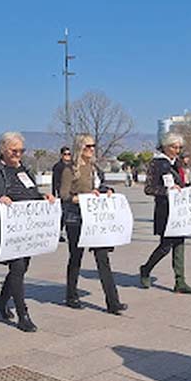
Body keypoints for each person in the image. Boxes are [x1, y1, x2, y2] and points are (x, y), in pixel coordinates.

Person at [0, 132, 57, 332]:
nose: (18, 154)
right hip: (6, 229)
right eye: (14, 150)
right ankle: (23, 314)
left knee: (21, 268)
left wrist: (43, 198)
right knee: (18, 267)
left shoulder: (24, 169)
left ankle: (2, 300)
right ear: (3, 150)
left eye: (21, 150)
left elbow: (31, 192)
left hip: (27, 229)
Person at [60, 134, 127, 314]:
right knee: (76, 257)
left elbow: (100, 186)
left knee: (102, 257)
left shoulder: (95, 168)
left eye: (93, 146)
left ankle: (113, 301)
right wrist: (82, 199)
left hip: (95, 219)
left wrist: (107, 191)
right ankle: (71, 294)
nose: (91, 149)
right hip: (76, 218)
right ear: (79, 147)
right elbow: (64, 195)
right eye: (88, 146)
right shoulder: (70, 169)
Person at [138, 133, 191, 294]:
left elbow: (181, 184)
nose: (177, 150)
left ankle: (180, 281)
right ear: (165, 146)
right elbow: (149, 188)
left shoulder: (177, 163)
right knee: (165, 246)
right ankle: (146, 269)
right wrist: (167, 190)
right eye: (174, 147)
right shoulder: (157, 163)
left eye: (179, 147)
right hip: (165, 211)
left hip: (179, 211)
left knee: (179, 243)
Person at [52, 146, 72, 242]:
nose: (67, 156)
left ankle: (68, 233)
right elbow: (55, 180)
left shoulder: (73, 166)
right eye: (65, 154)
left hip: (71, 192)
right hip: (62, 192)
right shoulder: (58, 166)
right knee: (62, 214)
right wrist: (55, 193)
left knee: (68, 213)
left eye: (69, 154)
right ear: (61, 155)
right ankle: (58, 233)